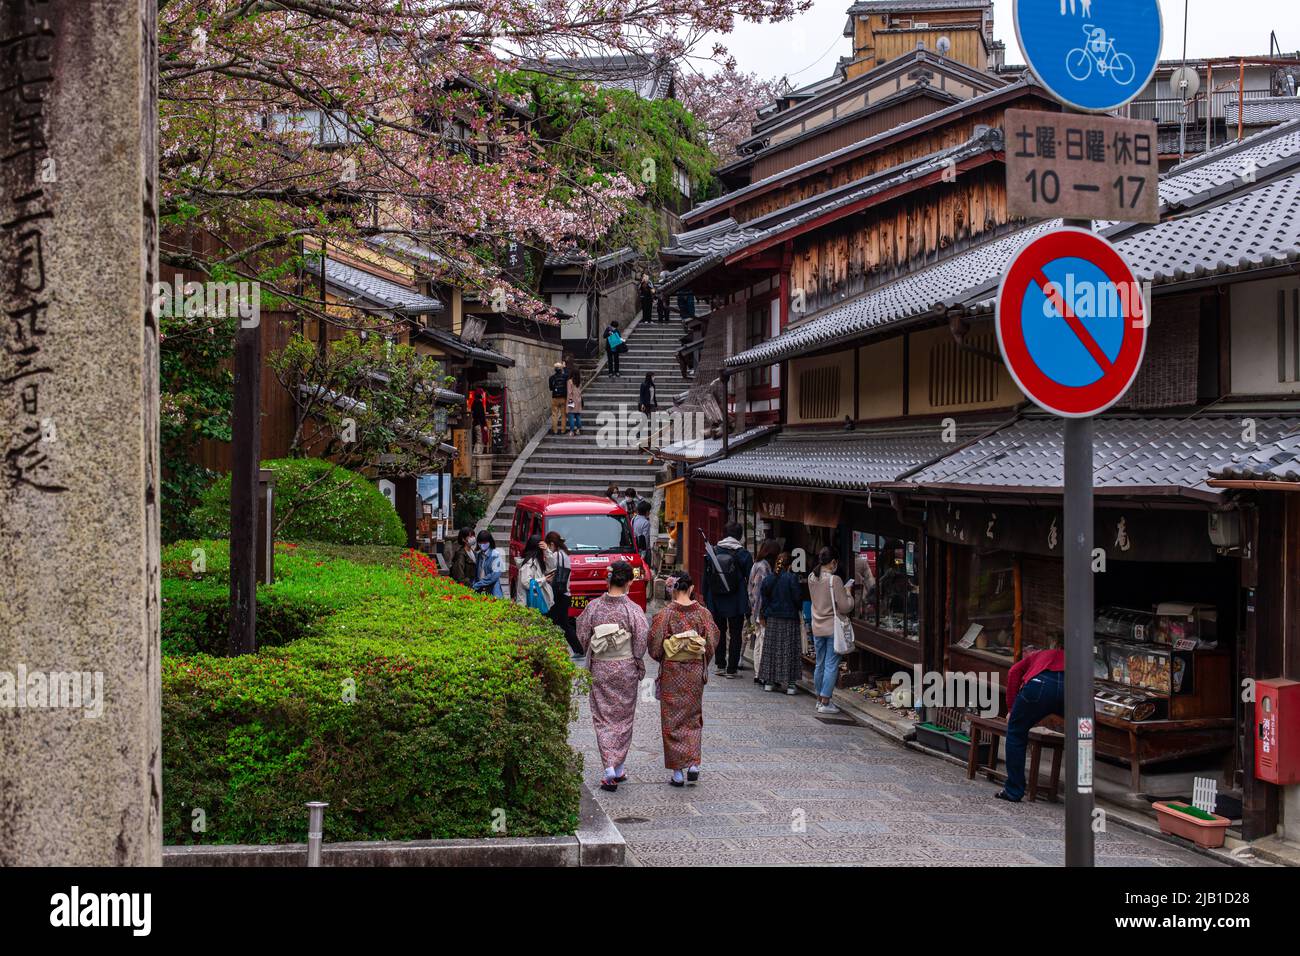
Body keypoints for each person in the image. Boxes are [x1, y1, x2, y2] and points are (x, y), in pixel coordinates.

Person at [576, 560, 649, 792]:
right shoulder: (632, 609)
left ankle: (612, 768)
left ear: (609, 580)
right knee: (623, 717)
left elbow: (582, 632)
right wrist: (637, 660)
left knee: (603, 717)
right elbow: (640, 639)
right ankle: (616, 767)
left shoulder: (594, 607)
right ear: (629, 581)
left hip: (601, 666)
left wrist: (594, 647)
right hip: (625, 667)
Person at [648, 573, 720, 786]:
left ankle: (677, 773)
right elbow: (712, 640)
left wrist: (665, 653)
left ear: (673, 589)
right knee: (692, 715)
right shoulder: (703, 614)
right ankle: (694, 764)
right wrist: (701, 655)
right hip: (694, 670)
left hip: (672, 670)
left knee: (671, 719)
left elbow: (654, 644)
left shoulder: (665, 614)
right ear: (691, 588)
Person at [995, 647, 1066, 803]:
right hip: (1070, 687)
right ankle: (1082, 794)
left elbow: (1014, 671)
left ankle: (1014, 790)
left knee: (1016, 733)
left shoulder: (1038, 655)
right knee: (1083, 739)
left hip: (1039, 684)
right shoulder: (1076, 659)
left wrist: (1011, 709)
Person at [701, 522, 753, 678]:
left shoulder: (713, 551)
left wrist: (705, 597)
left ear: (724, 534)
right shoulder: (744, 554)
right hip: (736, 599)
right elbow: (750, 579)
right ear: (740, 536)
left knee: (719, 631)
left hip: (716, 598)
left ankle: (720, 665)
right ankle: (732, 669)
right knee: (736, 633)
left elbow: (706, 578)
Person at [807, 547, 853, 713]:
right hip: (833, 628)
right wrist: (848, 593)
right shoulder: (835, 580)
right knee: (831, 664)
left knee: (819, 663)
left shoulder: (812, 577)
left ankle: (819, 699)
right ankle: (826, 701)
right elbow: (846, 607)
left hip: (817, 626)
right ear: (833, 562)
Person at [759, 551, 803, 695]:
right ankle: (790, 685)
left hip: (773, 618)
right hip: (789, 618)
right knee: (789, 650)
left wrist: (765, 613)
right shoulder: (792, 578)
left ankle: (769, 683)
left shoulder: (769, 579)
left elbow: (764, 598)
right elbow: (797, 599)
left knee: (772, 650)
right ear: (790, 565)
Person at [747, 540, 780, 685]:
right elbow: (760, 591)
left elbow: (752, 590)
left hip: (755, 607)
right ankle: (761, 673)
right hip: (761, 609)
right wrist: (761, 613)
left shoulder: (757, 564)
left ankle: (757, 672)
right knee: (762, 640)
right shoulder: (764, 567)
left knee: (759, 639)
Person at [545, 531, 582, 656]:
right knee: (562, 623)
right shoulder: (564, 555)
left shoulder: (556, 555)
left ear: (551, 544)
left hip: (558, 594)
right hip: (565, 593)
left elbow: (550, 571)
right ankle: (577, 649)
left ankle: (574, 649)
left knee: (556, 622)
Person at [514, 533, 554, 610]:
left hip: (535, 603)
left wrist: (547, 551)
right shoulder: (529, 563)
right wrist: (544, 579)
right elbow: (526, 583)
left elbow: (551, 567)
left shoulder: (537, 561)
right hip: (529, 605)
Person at [470, 530, 508, 598]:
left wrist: (478, 584)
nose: (482, 544)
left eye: (485, 542)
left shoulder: (496, 555)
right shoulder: (479, 555)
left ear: (490, 542)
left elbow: (495, 575)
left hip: (493, 591)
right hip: (480, 591)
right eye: (480, 542)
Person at [547, 361, 569, 436]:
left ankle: (555, 430)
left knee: (554, 414)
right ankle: (563, 430)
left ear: (555, 369)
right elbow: (568, 375)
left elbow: (550, 388)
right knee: (563, 415)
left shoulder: (551, 378)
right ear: (561, 369)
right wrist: (564, 367)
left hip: (555, 397)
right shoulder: (565, 376)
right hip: (563, 397)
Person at [632, 499, 653, 569]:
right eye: (649, 511)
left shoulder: (633, 519)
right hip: (642, 549)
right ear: (647, 512)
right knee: (644, 568)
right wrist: (644, 553)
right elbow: (645, 538)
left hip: (634, 547)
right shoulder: (646, 523)